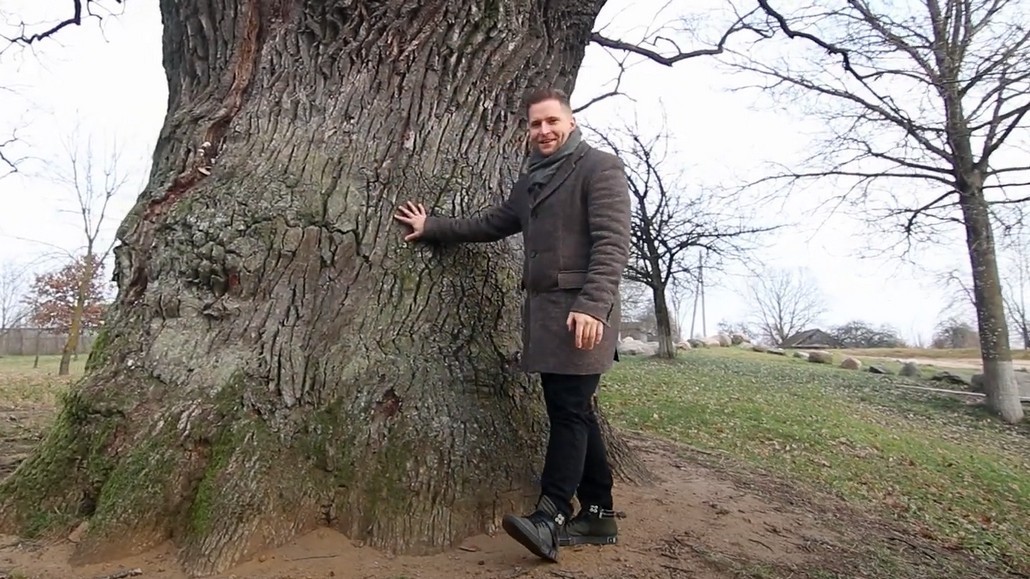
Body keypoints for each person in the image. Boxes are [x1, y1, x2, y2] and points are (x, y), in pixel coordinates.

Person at [393, 87, 631, 562]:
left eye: (551, 122)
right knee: (575, 409)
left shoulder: (599, 167)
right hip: (545, 318)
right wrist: (434, 227)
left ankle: (551, 516)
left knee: (568, 411)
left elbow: (612, 243)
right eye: (535, 124)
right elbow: (493, 222)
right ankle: (600, 513)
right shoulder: (531, 181)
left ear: (570, 121)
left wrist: (593, 305)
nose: (543, 131)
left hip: (583, 315)